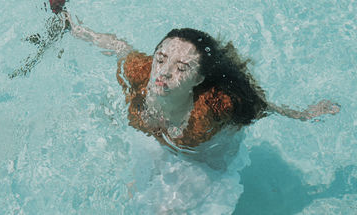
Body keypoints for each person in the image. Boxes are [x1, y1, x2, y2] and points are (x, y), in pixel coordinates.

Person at [62, 11, 340, 151]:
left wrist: (304, 115)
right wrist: (75, 28)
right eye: (161, 58)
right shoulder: (139, 70)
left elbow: (261, 107)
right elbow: (120, 47)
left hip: (199, 157)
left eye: (181, 67)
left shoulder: (215, 104)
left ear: (200, 78)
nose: (164, 71)